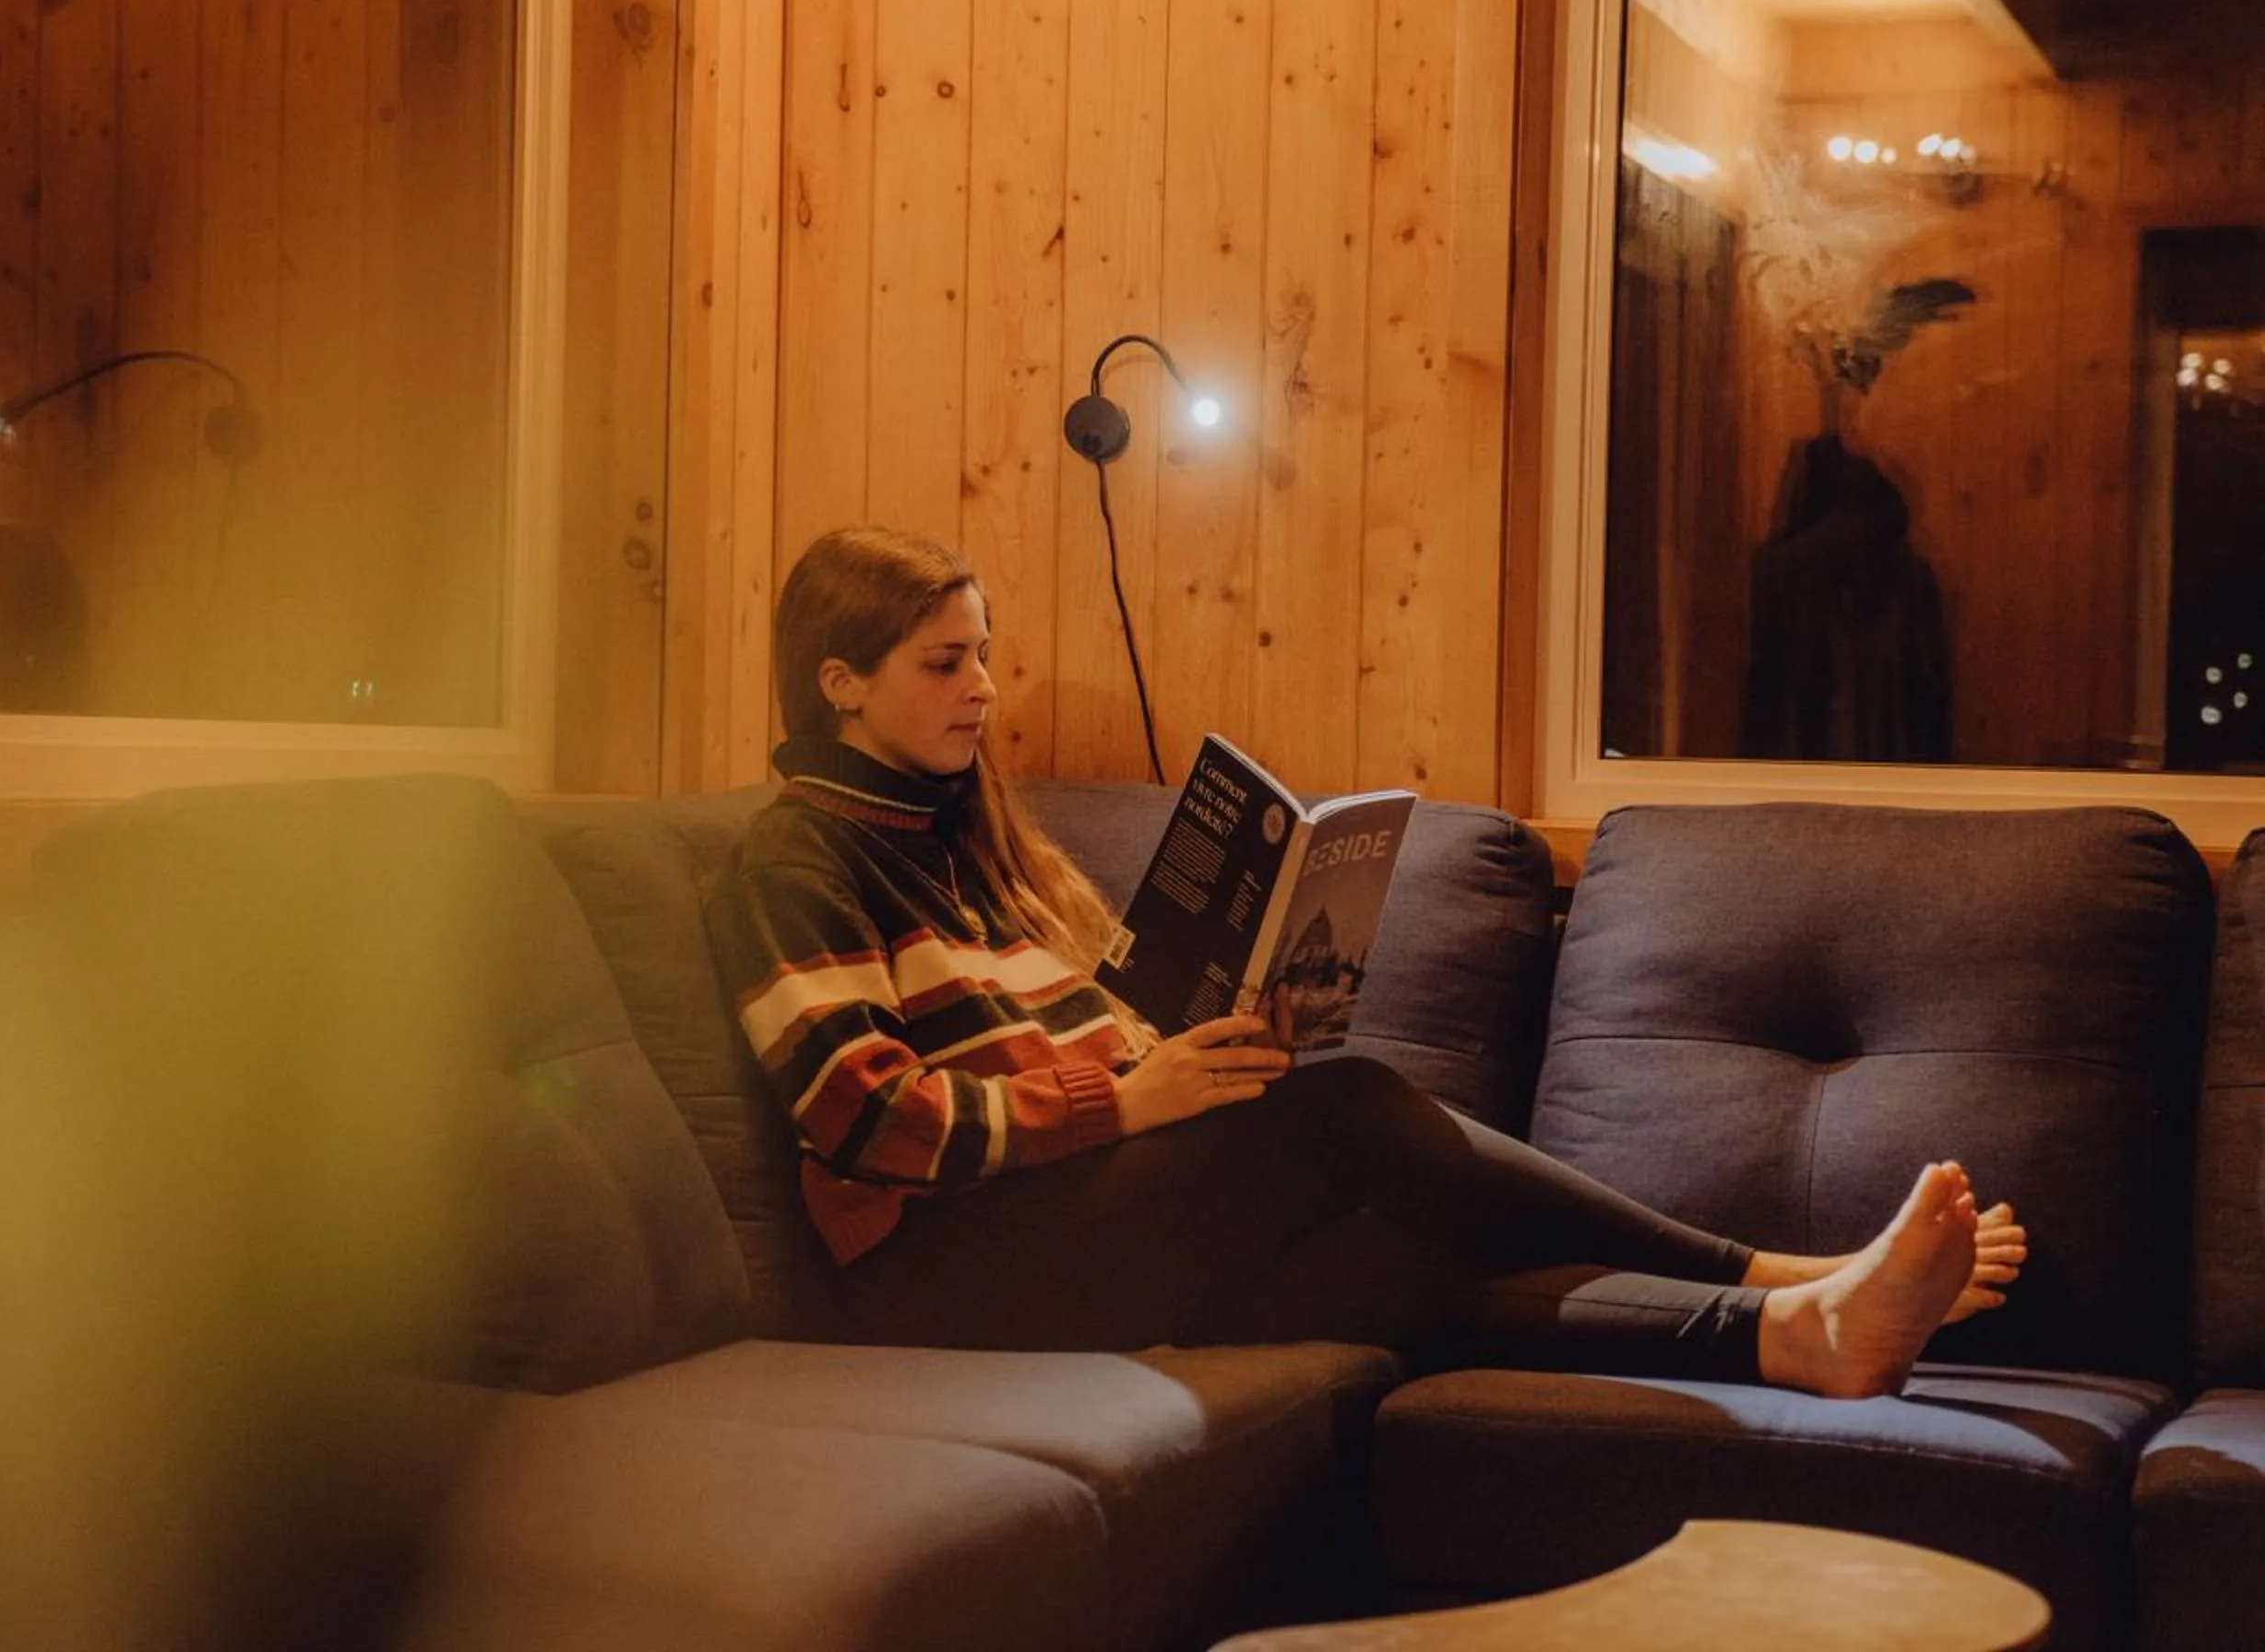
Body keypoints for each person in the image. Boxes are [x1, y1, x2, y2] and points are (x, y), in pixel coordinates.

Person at [709, 526, 2027, 1397]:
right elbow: (869, 1117)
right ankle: (1772, 1271)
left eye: (986, 654)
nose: (984, 688)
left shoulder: (970, 842)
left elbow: (1080, 1044)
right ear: (838, 683)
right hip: (936, 1283)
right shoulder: (799, 864)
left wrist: (1213, 1031)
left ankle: (1799, 1339)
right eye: (946, 663)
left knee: (1375, 1271)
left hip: (1062, 1213)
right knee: (1342, 1109)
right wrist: (1132, 1098)